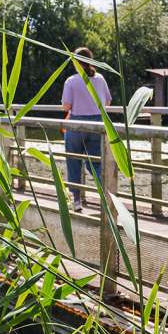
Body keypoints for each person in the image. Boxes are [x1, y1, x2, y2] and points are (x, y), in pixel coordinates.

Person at [61, 46, 112, 212]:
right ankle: (106, 196)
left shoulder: (71, 80)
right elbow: (107, 102)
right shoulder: (100, 79)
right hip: (97, 124)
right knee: (96, 164)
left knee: (74, 162)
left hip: (76, 125)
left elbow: (66, 106)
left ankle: (76, 202)